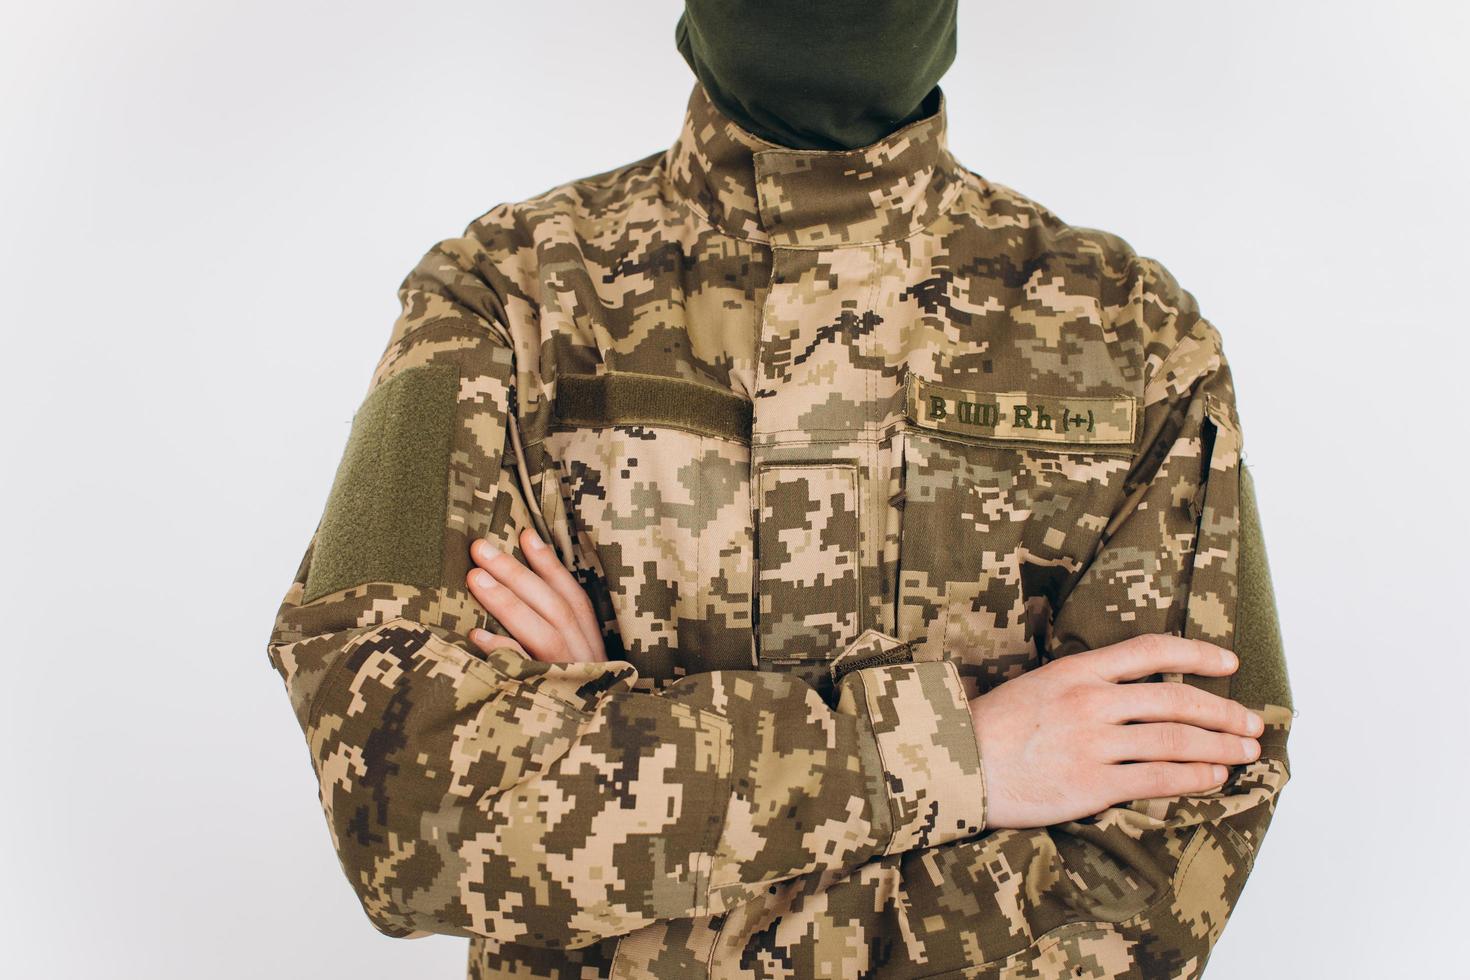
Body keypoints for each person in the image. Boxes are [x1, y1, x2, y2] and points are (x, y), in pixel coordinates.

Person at [266, 3, 1295, 977]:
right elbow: (403, 810)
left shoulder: (1137, 339)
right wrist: (961, 758)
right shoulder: (506, 293)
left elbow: (1164, 878)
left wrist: (601, 763)